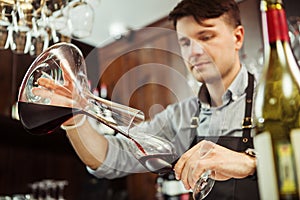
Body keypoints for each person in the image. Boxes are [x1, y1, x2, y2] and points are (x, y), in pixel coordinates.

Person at [33, 0, 260, 199]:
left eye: (206, 36)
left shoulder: (273, 95)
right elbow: (109, 158)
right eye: (185, 43)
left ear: (237, 37)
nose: (194, 52)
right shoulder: (180, 116)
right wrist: (74, 119)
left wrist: (250, 164)